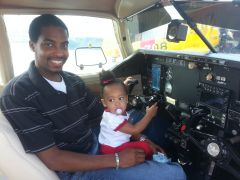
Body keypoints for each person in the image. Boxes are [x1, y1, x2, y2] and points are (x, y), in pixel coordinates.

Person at [0, 14, 186, 180]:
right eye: (49, 44)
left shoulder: (72, 80)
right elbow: (53, 159)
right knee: (174, 173)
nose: (59, 53)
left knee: (151, 123)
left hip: (94, 141)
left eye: (64, 45)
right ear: (32, 45)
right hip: (74, 168)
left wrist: (144, 139)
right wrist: (116, 160)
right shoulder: (18, 93)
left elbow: (102, 117)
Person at [98, 70, 159, 159]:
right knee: (146, 147)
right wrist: (149, 115)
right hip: (113, 149)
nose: (117, 103)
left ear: (126, 99)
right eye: (111, 100)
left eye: (121, 98)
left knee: (144, 141)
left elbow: (115, 92)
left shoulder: (113, 112)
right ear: (104, 103)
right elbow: (135, 130)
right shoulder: (112, 119)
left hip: (114, 144)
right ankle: (148, 163)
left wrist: (123, 85)